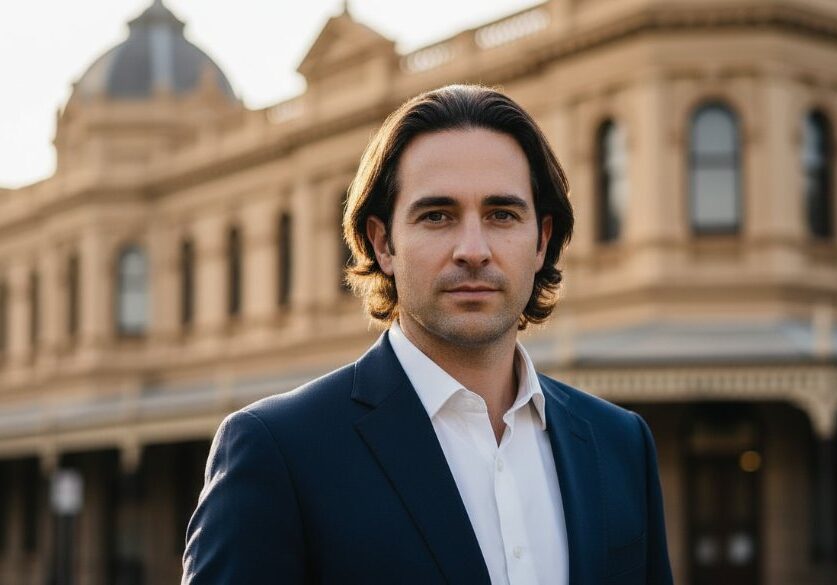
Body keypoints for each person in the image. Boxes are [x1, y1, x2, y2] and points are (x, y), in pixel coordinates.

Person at [182, 84, 673, 585]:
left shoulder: (620, 444)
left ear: (542, 240)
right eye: (437, 216)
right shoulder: (278, 451)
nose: (473, 249)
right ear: (383, 243)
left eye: (502, 215)